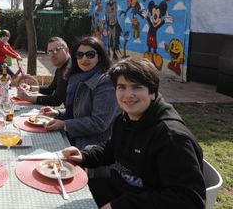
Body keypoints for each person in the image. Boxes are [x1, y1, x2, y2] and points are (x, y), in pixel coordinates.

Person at [61, 58, 206, 209]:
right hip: (117, 189)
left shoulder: (172, 138)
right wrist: (84, 156)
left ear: (152, 92)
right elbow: (112, 148)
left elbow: (189, 200)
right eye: (121, 87)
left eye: (136, 87)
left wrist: (119, 206)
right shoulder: (125, 118)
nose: (128, 95)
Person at [41, 36, 118, 149]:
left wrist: (65, 124)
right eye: (80, 55)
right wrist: (58, 113)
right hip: (75, 138)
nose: (84, 59)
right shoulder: (78, 77)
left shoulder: (105, 82)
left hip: (92, 147)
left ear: (100, 56)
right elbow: (80, 111)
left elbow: (99, 122)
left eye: (90, 54)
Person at [17, 36, 71, 106]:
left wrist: (28, 98)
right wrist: (30, 88)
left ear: (66, 50)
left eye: (56, 50)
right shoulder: (61, 67)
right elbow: (49, 90)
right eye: (49, 51)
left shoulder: (68, 69)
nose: (52, 54)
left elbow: (56, 100)